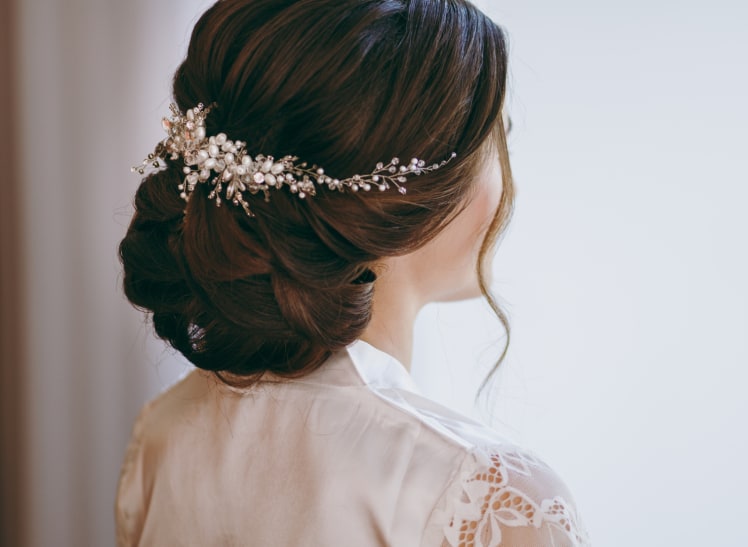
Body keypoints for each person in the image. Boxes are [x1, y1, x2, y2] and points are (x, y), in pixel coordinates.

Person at [116, 0, 590, 545]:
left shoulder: (159, 438)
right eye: (496, 138)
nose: (511, 185)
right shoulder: (495, 504)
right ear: (406, 197)